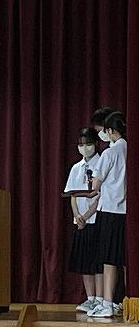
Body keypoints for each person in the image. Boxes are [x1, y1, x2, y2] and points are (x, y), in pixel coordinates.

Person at [87, 112, 127, 318]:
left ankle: (107, 303)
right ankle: (122, 300)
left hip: (110, 210)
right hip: (125, 212)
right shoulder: (129, 148)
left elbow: (95, 185)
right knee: (122, 259)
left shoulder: (109, 153)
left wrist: (92, 182)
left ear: (110, 131)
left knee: (109, 260)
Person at [64, 128, 102, 313]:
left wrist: (86, 216)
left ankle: (101, 299)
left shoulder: (101, 164)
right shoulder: (76, 167)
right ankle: (90, 298)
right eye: (80, 144)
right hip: (80, 221)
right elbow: (71, 194)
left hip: (96, 219)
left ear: (96, 144)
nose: (84, 148)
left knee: (97, 263)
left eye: (88, 144)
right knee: (84, 262)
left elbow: (100, 195)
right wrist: (77, 215)